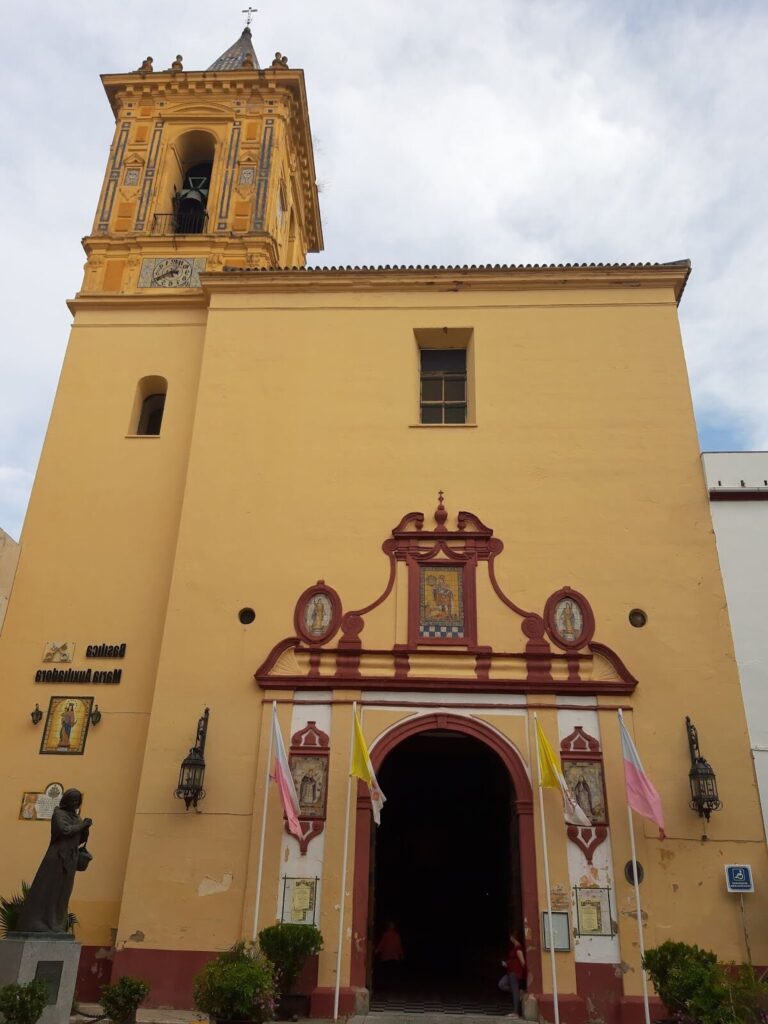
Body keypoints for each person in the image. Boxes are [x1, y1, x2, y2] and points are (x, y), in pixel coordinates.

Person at [17, 788, 92, 933]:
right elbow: (65, 830)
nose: (75, 803)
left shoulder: (76, 817)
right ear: (67, 800)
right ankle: (39, 921)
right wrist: (82, 825)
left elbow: (79, 838)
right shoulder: (59, 813)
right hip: (57, 857)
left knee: (63, 892)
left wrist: (86, 829)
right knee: (50, 888)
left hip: (71, 858)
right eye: (73, 800)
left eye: (78, 800)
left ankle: (56, 924)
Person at [498, 930, 526, 1016]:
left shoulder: (518, 949)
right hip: (510, 971)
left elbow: (523, 963)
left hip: (515, 973)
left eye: (511, 936)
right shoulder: (514, 947)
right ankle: (519, 992)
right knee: (501, 984)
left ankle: (516, 1012)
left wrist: (522, 974)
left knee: (514, 991)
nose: (510, 938)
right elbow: (514, 960)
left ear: (513, 937)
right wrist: (507, 964)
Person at [375, 920, 404, 991]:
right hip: (392, 956)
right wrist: (401, 954)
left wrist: (377, 950)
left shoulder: (390, 935)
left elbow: (398, 946)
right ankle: (391, 987)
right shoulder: (392, 935)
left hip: (388, 956)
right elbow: (398, 946)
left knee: (388, 972)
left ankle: (389, 987)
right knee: (391, 972)